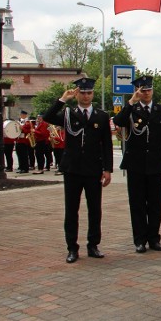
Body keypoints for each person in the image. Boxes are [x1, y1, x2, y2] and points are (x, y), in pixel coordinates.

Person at [43, 77, 113, 264]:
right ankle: (72, 248)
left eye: (89, 93)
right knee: (71, 210)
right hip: (73, 168)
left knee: (94, 209)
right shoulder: (68, 113)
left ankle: (93, 245)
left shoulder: (101, 115)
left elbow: (106, 144)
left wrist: (108, 169)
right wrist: (62, 99)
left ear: (93, 94)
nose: (85, 96)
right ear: (77, 94)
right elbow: (47, 117)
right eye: (82, 93)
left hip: (93, 169)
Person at [115, 76, 161, 253]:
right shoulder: (131, 110)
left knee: (156, 204)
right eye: (142, 90)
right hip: (136, 164)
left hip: (156, 163)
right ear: (137, 91)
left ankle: (154, 238)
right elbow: (118, 122)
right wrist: (131, 102)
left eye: (148, 90)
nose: (146, 93)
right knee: (138, 203)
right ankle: (139, 240)